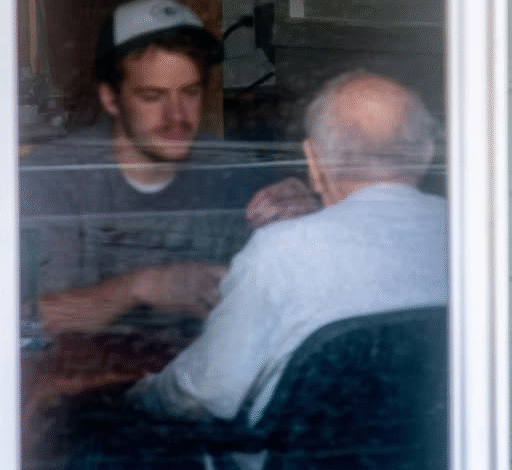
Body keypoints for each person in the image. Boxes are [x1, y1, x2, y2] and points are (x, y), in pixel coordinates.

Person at [125, 71, 448, 469]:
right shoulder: (476, 241)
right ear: (426, 153)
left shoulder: (281, 252)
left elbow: (202, 394)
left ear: (313, 159)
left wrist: (142, 396)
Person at [19, 0, 317, 335]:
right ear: (110, 99)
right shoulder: (48, 181)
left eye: (189, 92)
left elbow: (295, 289)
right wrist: (139, 287)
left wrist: (304, 217)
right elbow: (20, 321)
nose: (176, 115)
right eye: (152, 96)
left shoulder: (230, 169)